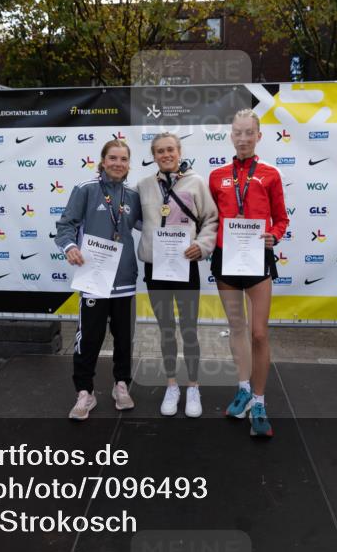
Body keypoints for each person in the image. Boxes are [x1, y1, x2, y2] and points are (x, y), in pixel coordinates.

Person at [208, 109, 289, 437]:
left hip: (257, 261)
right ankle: (243, 388)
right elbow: (211, 219)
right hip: (226, 260)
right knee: (237, 328)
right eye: (237, 132)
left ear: (259, 136)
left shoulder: (270, 174)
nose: (243, 138)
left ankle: (259, 400)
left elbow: (281, 218)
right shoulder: (217, 176)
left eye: (248, 133)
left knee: (259, 333)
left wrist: (276, 236)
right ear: (231, 135)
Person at [56, 139, 143, 420]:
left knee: (124, 339)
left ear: (129, 163)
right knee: (89, 338)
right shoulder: (86, 189)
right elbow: (65, 226)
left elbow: (150, 225)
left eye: (123, 159)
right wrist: (70, 248)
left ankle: (121, 385)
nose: (118, 164)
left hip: (125, 279)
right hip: (94, 278)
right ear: (103, 161)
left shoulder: (132, 194)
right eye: (113, 158)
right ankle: (85, 392)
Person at [136, 132, 218, 417]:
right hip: (155, 268)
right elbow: (135, 219)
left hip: (185, 266)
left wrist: (202, 245)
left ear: (179, 151)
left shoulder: (196, 183)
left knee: (189, 329)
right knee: (166, 329)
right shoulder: (144, 186)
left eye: (170, 149)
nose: (165, 155)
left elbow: (211, 219)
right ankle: (172, 385)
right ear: (154, 155)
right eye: (159, 151)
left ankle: (193, 386)